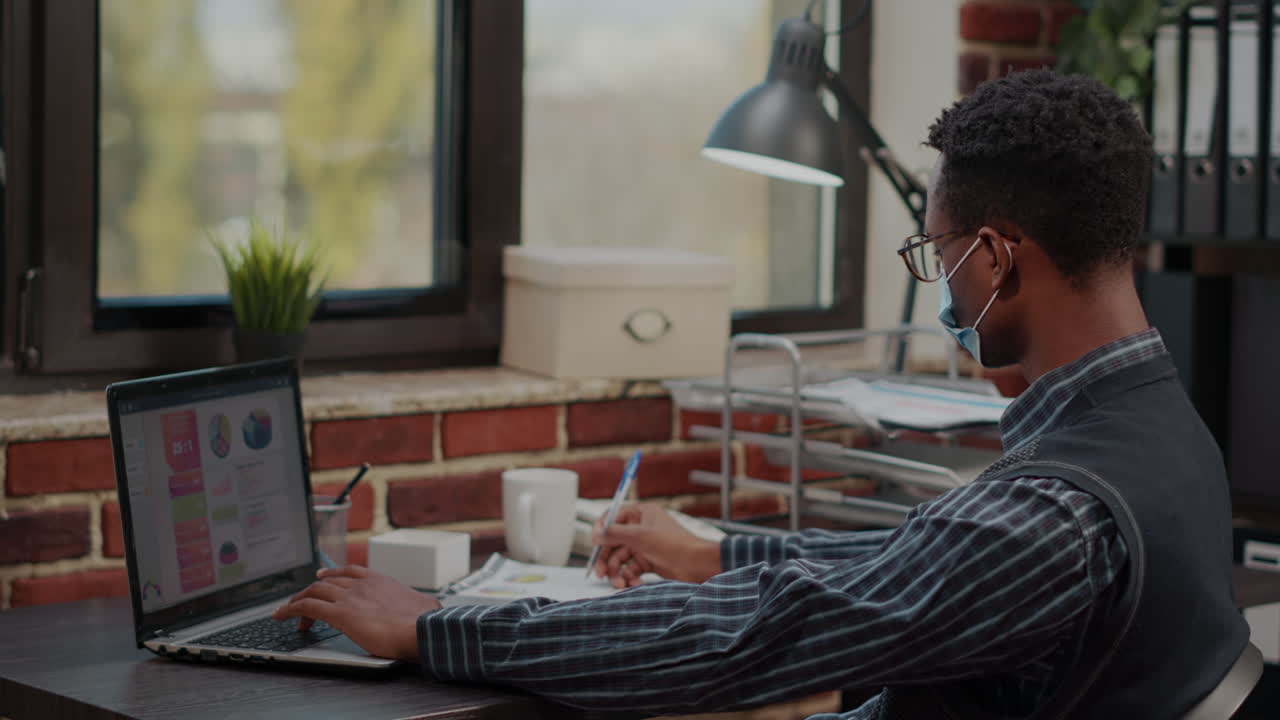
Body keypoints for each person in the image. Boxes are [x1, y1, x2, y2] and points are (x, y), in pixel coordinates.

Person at [274, 70, 1247, 718]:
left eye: (936, 254)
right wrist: (722, 548)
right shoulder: (1162, 427)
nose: (939, 283)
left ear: (993, 257)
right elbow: (921, 565)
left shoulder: (1054, 512)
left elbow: (752, 636)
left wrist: (435, 626)